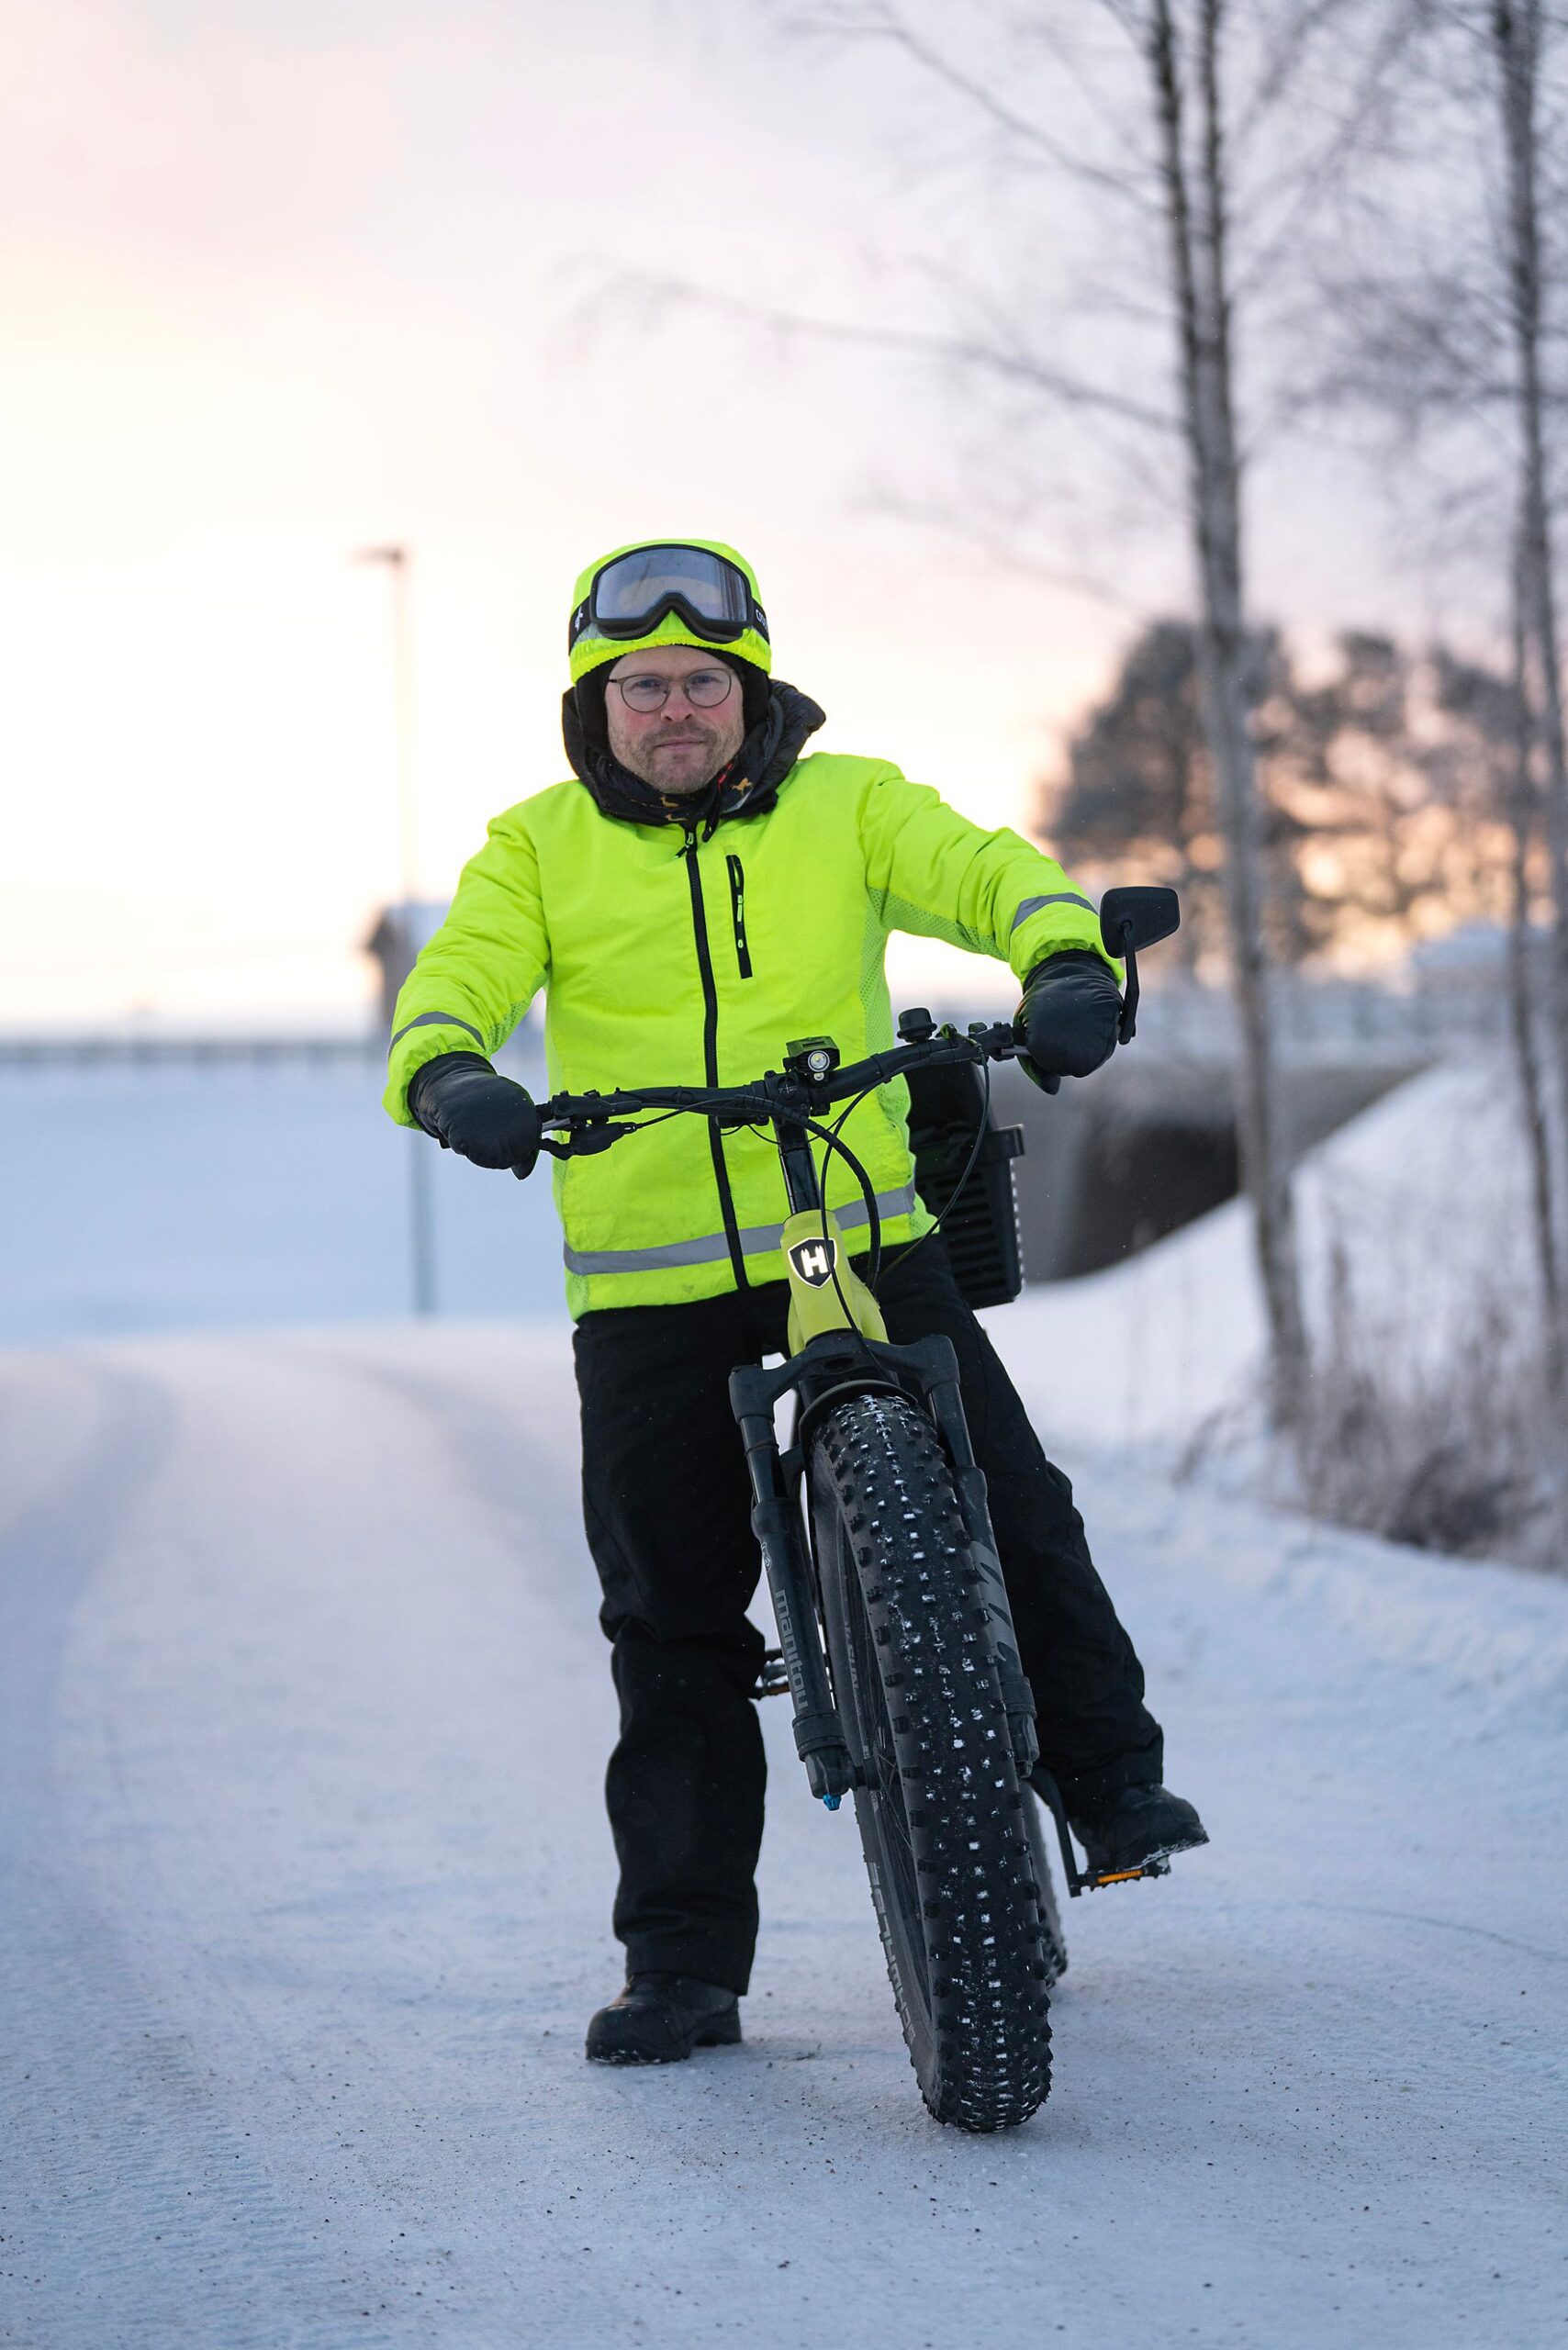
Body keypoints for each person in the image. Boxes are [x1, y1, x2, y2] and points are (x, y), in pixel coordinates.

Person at [385, 539, 1207, 2066]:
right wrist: (450, 1072)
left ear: (749, 691)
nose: (675, 709)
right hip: (655, 1288)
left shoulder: (850, 804)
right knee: (671, 1624)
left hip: (861, 1229)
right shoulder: (538, 847)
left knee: (1016, 1501)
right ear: (597, 704)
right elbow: (464, 974)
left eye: (703, 682)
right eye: (643, 688)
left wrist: (1061, 958)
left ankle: (1107, 1782)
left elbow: (988, 873)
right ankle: (683, 1968)